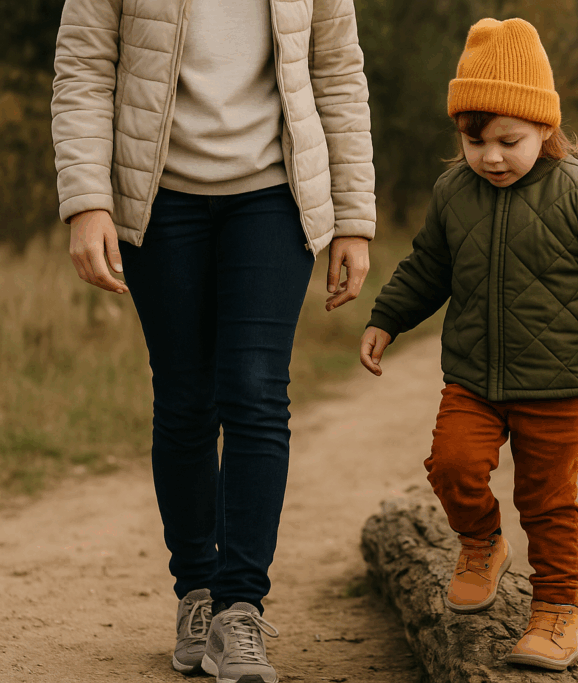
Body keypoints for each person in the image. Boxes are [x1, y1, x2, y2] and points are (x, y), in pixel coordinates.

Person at [50, 0, 375, 680]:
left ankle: (239, 609)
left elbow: (338, 70)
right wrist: (87, 200)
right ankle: (196, 591)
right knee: (185, 397)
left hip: (274, 193)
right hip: (158, 195)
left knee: (256, 390)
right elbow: (83, 67)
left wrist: (353, 216)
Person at [360, 17, 578, 672]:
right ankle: (481, 541)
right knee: (452, 464)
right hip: (474, 378)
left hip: (560, 381)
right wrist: (387, 318)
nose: (490, 156)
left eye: (508, 140)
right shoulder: (454, 191)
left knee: (546, 501)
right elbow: (428, 265)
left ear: (546, 127)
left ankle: (556, 611)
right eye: (473, 139)